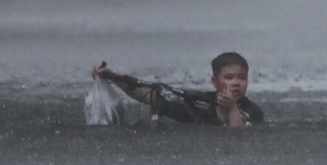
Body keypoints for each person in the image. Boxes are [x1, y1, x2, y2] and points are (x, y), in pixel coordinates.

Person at [91, 52, 263, 127]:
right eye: (229, 77)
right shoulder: (199, 103)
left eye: (242, 78)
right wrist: (112, 77)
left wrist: (232, 108)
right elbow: (152, 96)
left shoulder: (253, 111)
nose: (236, 83)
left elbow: (239, 137)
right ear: (214, 81)